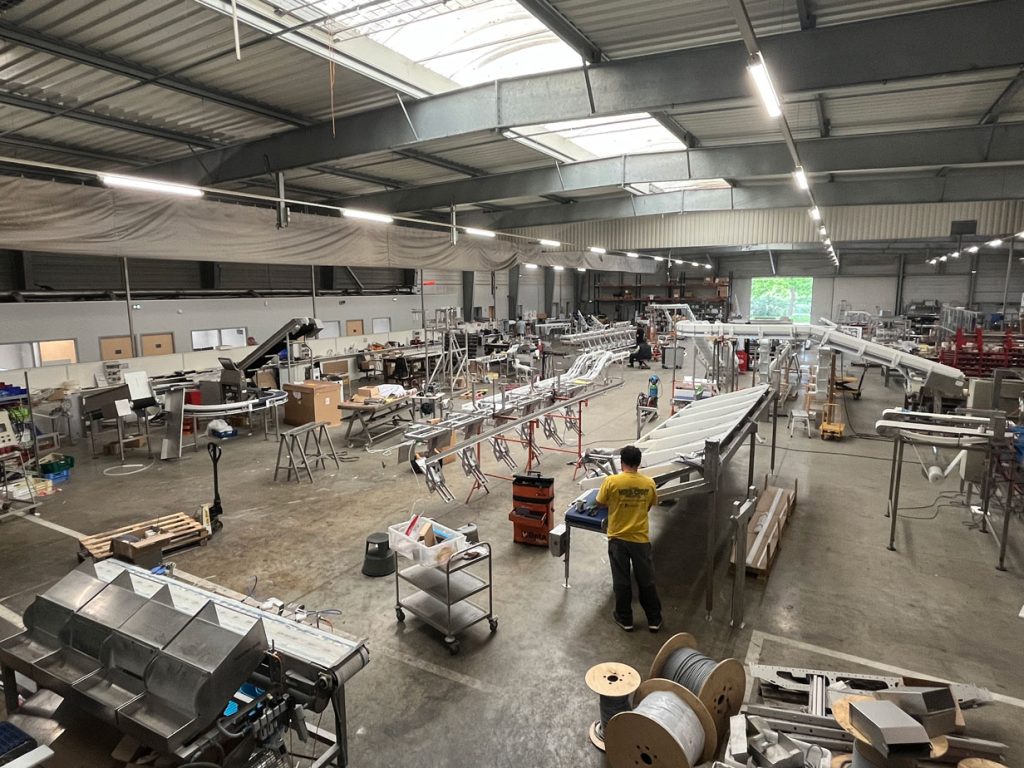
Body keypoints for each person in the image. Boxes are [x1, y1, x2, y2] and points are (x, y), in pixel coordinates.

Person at [596, 445, 662, 632]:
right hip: (640, 539)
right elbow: (649, 506)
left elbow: (600, 502)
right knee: (646, 580)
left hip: (617, 538)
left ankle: (625, 618)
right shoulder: (648, 483)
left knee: (621, 580)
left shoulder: (612, 482)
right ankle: (654, 619)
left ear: (621, 462)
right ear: (639, 463)